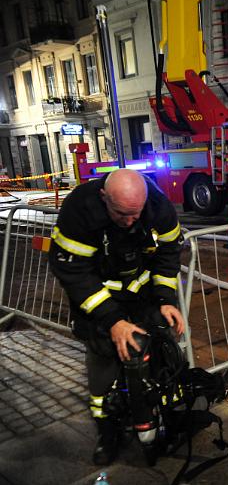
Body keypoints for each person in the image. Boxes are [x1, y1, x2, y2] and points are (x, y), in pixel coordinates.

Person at [49, 168, 185, 465]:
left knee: (157, 355)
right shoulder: (79, 210)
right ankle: (107, 432)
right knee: (103, 363)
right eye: (122, 214)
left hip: (142, 296)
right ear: (103, 197)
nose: (129, 221)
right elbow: (73, 272)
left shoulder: (156, 205)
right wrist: (112, 321)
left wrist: (165, 299)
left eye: (135, 214)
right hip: (98, 301)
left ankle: (158, 420)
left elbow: (169, 251)